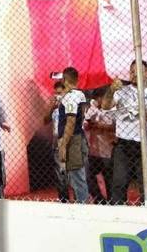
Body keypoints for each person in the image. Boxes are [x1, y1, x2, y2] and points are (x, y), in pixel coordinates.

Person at [102, 60, 147, 205]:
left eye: (138, 71)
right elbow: (105, 106)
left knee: (146, 184)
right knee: (119, 182)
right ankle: (118, 213)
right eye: (132, 71)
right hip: (124, 143)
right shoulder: (121, 92)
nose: (134, 74)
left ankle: (146, 209)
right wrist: (111, 90)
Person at [57, 67, 89, 203]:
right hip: (77, 137)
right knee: (77, 175)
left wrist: (63, 145)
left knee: (77, 175)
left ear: (64, 80)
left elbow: (70, 121)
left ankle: (83, 207)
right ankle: (82, 203)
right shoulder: (79, 94)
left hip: (72, 139)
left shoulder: (71, 97)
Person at [85, 88, 115, 204]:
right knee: (88, 176)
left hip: (108, 150)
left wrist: (100, 125)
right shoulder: (91, 109)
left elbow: (115, 127)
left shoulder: (112, 109)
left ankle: (113, 203)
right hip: (94, 151)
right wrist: (90, 119)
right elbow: (85, 126)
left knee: (109, 180)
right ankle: (100, 200)